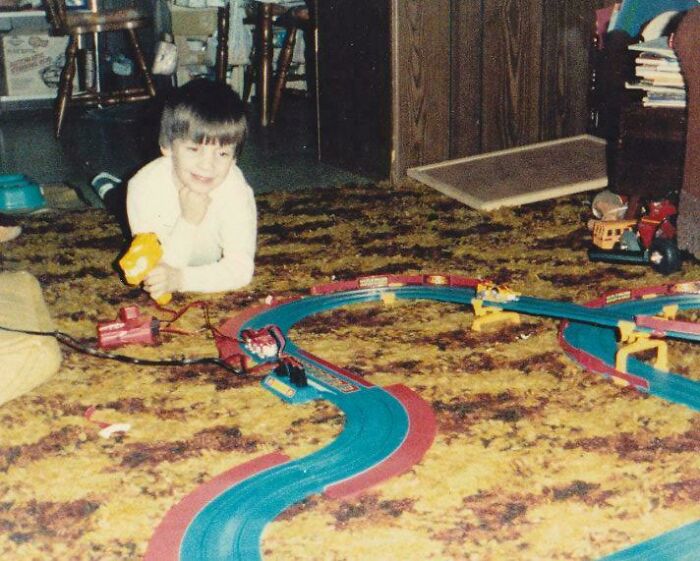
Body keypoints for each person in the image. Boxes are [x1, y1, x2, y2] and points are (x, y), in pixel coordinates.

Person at [93, 78, 257, 301]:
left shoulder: (235, 188)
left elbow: (241, 269)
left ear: (235, 158)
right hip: (146, 201)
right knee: (119, 201)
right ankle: (110, 190)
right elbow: (160, 270)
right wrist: (188, 221)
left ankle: (111, 190)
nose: (207, 166)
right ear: (168, 147)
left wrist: (181, 280)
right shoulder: (144, 188)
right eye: (194, 149)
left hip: (195, 260)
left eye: (222, 154)